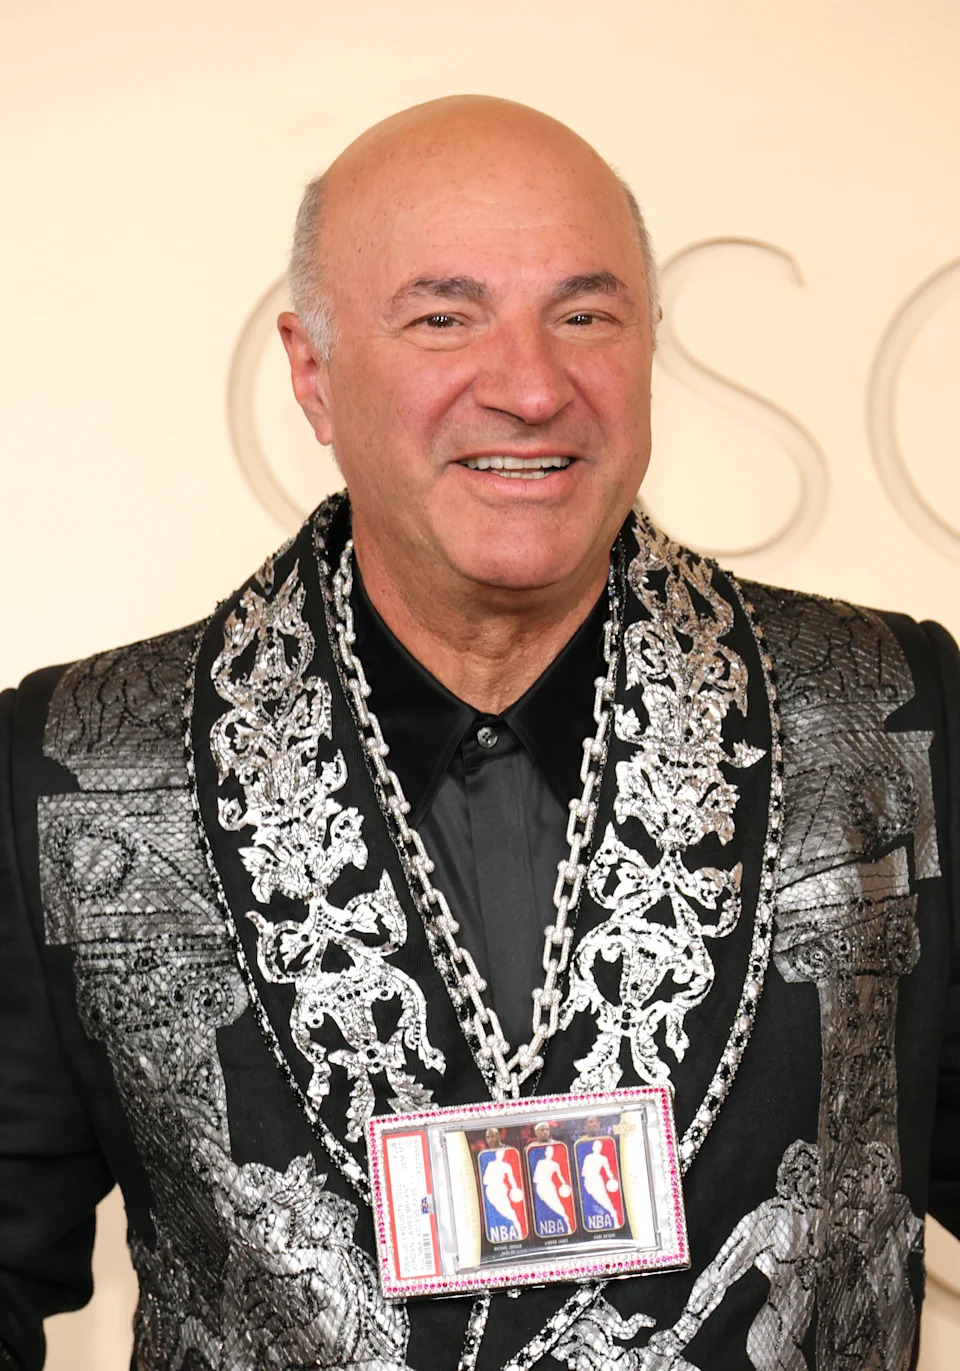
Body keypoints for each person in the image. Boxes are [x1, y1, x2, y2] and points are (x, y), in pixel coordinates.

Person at [0, 94, 957, 1371]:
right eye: (445, 318)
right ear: (313, 372)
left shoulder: (892, 716)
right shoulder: (73, 771)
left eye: (586, 315)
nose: (530, 385)